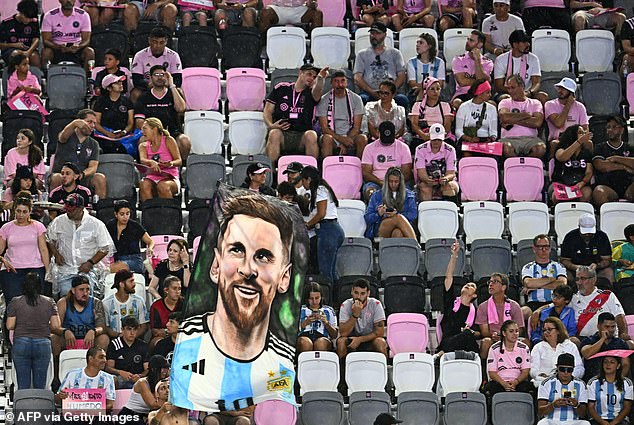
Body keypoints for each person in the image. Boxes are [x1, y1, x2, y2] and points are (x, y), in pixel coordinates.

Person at [171, 191, 298, 410]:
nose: (248, 270)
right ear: (216, 266)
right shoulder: (186, 345)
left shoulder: (283, 361)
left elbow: (279, 414)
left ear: (284, 278)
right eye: (237, 250)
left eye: (264, 256)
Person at [47, 193, 115, 297]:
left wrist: (90, 263)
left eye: (71, 210)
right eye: (67, 210)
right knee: (66, 296)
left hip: (87, 272)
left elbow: (105, 248)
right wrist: (56, 254)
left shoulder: (96, 224)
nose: (68, 213)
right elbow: (51, 239)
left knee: (85, 297)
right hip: (65, 270)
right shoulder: (59, 221)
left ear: (81, 208)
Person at [6, 272, 60, 389]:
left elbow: (10, 325)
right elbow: (56, 325)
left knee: (23, 384)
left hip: (21, 343)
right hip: (43, 343)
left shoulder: (15, 301)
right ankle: (39, 406)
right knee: (40, 385)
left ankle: (23, 406)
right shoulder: (49, 301)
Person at [264, 64, 327, 164]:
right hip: (283, 134)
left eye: (314, 77)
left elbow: (318, 89)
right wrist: (271, 125)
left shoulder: (312, 93)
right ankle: (271, 173)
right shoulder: (281, 88)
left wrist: (320, 78)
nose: (311, 78)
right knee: (274, 133)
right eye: (309, 74)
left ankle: (312, 171)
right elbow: (267, 111)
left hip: (302, 135)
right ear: (300, 73)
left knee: (311, 135)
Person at [53, 275, 109, 383]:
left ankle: (100, 375)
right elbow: (55, 327)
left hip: (89, 340)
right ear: (73, 290)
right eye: (81, 290)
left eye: (87, 289)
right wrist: (65, 331)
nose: (85, 293)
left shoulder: (95, 303)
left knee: (104, 339)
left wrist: (94, 331)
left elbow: (102, 327)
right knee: (54, 339)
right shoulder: (63, 302)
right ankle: (56, 377)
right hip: (69, 340)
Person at [49, 109, 108, 202]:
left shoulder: (94, 144)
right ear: (80, 122)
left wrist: (82, 174)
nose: (92, 126)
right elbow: (62, 137)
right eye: (89, 122)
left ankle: (101, 209)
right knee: (57, 177)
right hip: (63, 174)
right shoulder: (67, 135)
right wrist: (74, 123)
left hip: (81, 177)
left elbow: (93, 167)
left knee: (99, 178)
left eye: (94, 123)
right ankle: (53, 208)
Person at [0, 194, 49, 305]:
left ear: (30, 211)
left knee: (35, 303)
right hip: (12, 269)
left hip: (35, 268)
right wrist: (2, 260)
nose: (21, 215)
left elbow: (43, 250)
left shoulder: (38, 227)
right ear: (14, 210)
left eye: (24, 212)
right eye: (18, 211)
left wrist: (48, 271)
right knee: (12, 303)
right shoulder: (6, 228)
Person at [134, 65, 190, 160]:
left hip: (172, 132)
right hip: (152, 133)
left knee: (184, 141)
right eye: (156, 75)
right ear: (151, 78)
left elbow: (181, 109)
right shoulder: (143, 97)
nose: (159, 77)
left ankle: (179, 169)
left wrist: (172, 86)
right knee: (142, 141)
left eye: (162, 74)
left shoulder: (173, 93)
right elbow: (139, 122)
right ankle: (148, 170)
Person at [301, 165, 345, 283]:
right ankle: (335, 296)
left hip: (328, 231)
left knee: (325, 272)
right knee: (331, 271)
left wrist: (308, 225)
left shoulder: (320, 190)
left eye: (303, 180)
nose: (302, 183)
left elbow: (321, 214)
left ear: (309, 179)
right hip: (333, 230)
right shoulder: (323, 189)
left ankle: (329, 298)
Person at [353, 22, 408, 108]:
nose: (373, 36)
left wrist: (391, 91)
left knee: (402, 100)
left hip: (391, 92)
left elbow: (401, 75)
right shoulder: (362, 54)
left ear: (385, 35)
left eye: (377, 33)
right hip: (369, 92)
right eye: (372, 33)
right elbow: (357, 77)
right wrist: (371, 91)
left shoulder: (395, 53)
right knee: (362, 99)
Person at [438, 240, 479, 353]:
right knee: (466, 336)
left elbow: (478, 332)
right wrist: (454, 256)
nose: (467, 285)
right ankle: (442, 352)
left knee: (467, 335)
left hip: (464, 342)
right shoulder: (451, 302)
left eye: (471, 286)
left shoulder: (474, 311)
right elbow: (448, 278)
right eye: (467, 284)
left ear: (474, 295)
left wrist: (470, 331)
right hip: (448, 342)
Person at [316, 69, 367, 158]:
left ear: (347, 82)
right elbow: (324, 128)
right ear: (331, 83)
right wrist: (341, 139)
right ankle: (327, 169)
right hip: (332, 136)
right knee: (327, 138)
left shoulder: (356, 99)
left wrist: (345, 142)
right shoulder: (324, 100)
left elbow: (356, 127)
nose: (340, 85)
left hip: (351, 136)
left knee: (362, 138)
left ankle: (360, 169)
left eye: (342, 81)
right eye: (336, 81)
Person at [570, 267, 629, 343]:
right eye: (577, 279)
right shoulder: (572, 299)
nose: (579, 282)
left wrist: (623, 334)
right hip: (584, 342)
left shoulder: (607, 296)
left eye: (583, 278)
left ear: (593, 280)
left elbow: (619, 316)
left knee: (630, 343)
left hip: (609, 339)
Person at [474, 272, 527, 359]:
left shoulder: (514, 305)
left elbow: (520, 329)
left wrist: (507, 336)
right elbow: (484, 331)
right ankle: (484, 370)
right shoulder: (483, 306)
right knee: (486, 342)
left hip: (511, 336)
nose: (491, 284)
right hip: (492, 338)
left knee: (525, 342)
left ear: (503, 287)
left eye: (495, 281)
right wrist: (493, 336)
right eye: (490, 282)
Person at [361, 121, 413, 202]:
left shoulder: (403, 147)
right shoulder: (369, 148)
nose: (387, 143)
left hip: (398, 182)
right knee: (370, 192)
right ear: (378, 133)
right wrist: (381, 182)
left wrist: (395, 183)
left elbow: (407, 173)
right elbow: (366, 173)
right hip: (377, 182)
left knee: (407, 195)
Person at [337, 278, 387, 358]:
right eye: (356, 293)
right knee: (341, 342)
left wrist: (360, 339)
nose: (359, 297)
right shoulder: (345, 305)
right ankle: (342, 369)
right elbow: (343, 333)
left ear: (368, 293)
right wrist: (355, 315)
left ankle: (384, 369)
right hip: (351, 338)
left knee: (380, 342)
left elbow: (379, 332)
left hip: (370, 338)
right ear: (352, 291)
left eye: (362, 293)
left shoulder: (376, 304)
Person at [498, 74, 546, 158]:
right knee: (506, 148)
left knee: (540, 149)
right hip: (509, 139)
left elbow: (537, 123)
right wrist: (526, 115)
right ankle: (516, 167)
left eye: (513, 87)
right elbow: (504, 117)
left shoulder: (535, 103)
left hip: (530, 139)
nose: (510, 91)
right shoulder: (505, 102)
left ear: (522, 87)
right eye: (508, 88)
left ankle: (526, 167)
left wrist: (512, 119)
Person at [41, 0, 95, 74]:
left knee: (90, 52)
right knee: (46, 52)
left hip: (76, 47)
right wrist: (58, 47)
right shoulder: (49, 15)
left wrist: (78, 47)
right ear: (60, 0)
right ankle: (47, 78)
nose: (69, 1)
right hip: (57, 47)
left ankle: (86, 79)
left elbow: (86, 40)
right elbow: (46, 40)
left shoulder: (83, 15)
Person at [54, 346, 116, 411]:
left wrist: (93, 411)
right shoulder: (72, 374)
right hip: (74, 415)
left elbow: (110, 404)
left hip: (96, 416)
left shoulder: (108, 378)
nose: (104, 360)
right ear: (91, 359)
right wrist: (60, 396)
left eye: (105, 357)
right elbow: (57, 399)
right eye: (101, 357)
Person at [592, 115, 634, 207]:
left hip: (629, 187)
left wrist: (616, 158)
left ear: (622, 130)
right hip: (608, 187)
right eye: (608, 127)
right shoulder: (600, 147)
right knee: (599, 192)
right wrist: (624, 166)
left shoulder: (630, 148)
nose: (610, 130)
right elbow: (601, 166)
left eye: (614, 127)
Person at [93, 74, 140, 157]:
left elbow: (130, 122)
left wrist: (124, 132)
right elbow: (96, 123)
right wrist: (107, 133)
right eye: (117, 83)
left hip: (124, 135)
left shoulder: (127, 101)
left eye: (120, 82)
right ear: (109, 88)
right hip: (104, 135)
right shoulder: (100, 102)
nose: (120, 84)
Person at [537, 353, 590, 425]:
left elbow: (583, 414)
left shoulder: (581, 384)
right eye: (562, 369)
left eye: (569, 370)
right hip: (551, 421)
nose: (566, 373)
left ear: (573, 369)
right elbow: (540, 412)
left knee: (586, 423)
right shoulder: (546, 383)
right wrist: (553, 405)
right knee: (542, 423)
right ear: (557, 367)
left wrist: (576, 405)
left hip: (573, 421)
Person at [531, 317, 584, 388]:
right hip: (543, 383)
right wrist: (540, 375)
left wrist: (567, 376)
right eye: (544, 330)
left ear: (558, 330)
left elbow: (579, 368)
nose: (546, 332)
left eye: (549, 329)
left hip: (568, 382)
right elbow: (533, 369)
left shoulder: (570, 346)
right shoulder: (538, 347)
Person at [365, 166, 417, 239]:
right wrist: (379, 214)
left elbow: (413, 214)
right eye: (390, 181)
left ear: (400, 182)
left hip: (401, 227)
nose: (393, 184)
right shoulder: (377, 195)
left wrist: (395, 214)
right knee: (398, 218)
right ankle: (416, 245)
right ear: (386, 181)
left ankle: (394, 250)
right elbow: (367, 217)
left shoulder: (409, 195)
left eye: (396, 182)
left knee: (397, 233)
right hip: (381, 227)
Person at [493, 30, 544, 102]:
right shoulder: (501, 59)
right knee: (504, 98)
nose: (528, 44)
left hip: (527, 93)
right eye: (524, 42)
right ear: (515, 45)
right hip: (508, 92)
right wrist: (516, 92)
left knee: (543, 96)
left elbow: (536, 83)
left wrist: (529, 92)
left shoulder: (533, 58)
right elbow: (499, 86)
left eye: (528, 41)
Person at [138, 117, 182, 202]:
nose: (142, 132)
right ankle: (149, 212)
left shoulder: (168, 140)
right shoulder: (143, 145)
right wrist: (151, 162)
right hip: (152, 177)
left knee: (163, 186)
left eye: (145, 129)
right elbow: (142, 160)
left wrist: (170, 164)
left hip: (170, 177)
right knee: (144, 185)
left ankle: (168, 212)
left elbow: (179, 160)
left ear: (154, 129)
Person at [486, 319, 534, 396]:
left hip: (518, 382)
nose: (515, 334)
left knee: (528, 388)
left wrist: (516, 382)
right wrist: (504, 384)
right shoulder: (494, 348)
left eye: (517, 331)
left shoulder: (524, 348)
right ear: (504, 333)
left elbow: (525, 371)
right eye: (511, 331)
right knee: (492, 388)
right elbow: (492, 373)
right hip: (500, 382)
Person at [131, 27, 182, 97]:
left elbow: (178, 80)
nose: (158, 46)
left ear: (166, 41)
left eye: (161, 43)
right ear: (149, 40)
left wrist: (165, 84)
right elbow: (136, 80)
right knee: (136, 93)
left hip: (166, 86)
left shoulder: (174, 56)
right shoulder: (140, 55)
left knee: (179, 91)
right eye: (155, 42)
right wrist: (152, 84)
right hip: (147, 87)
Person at [107, 199, 155, 274]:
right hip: (116, 259)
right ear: (116, 214)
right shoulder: (110, 225)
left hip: (134, 259)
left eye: (127, 213)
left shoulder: (135, 226)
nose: (125, 217)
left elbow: (150, 241)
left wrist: (150, 248)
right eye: (122, 214)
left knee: (117, 267)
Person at [561, 216, 614, 283]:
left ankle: (608, 292)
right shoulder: (570, 237)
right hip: (574, 270)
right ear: (579, 227)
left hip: (597, 270)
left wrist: (597, 265)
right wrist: (575, 267)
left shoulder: (602, 236)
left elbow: (607, 259)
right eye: (584, 233)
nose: (587, 235)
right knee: (564, 274)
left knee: (608, 272)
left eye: (590, 233)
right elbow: (564, 260)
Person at [522, 234, 568, 311]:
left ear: (550, 248)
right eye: (540, 247)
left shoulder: (558, 266)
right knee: (523, 312)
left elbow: (562, 284)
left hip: (554, 303)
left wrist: (536, 286)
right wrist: (551, 279)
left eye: (546, 247)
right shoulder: (528, 267)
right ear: (534, 249)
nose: (544, 250)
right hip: (534, 303)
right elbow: (529, 283)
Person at [550, 125, 594, 205]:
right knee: (556, 196)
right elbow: (562, 157)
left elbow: (589, 172)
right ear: (572, 135)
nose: (583, 135)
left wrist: (582, 183)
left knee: (586, 194)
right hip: (561, 183)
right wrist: (579, 142)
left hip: (580, 183)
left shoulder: (586, 152)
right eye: (580, 133)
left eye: (584, 133)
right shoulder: (560, 148)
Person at [415, 123, 459, 202]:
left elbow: (451, 173)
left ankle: (450, 211)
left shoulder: (450, 150)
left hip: (445, 181)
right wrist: (427, 179)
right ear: (430, 137)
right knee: (425, 188)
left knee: (449, 187)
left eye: (439, 139)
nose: (436, 142)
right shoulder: (420, 149)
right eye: (434, 139)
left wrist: (445, 179)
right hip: (428, 181)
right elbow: (421, 172)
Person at [580, 312, 631, 382]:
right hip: (592, 382)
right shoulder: (589, 340)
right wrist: (602, 339)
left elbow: (625, 364)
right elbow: (586, 354)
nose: (610, 330)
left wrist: (617, 380)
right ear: (598, 326)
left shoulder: (620, 343)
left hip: (614, 382)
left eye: (613, 327)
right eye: (607, 327)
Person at [587, 351, 633, 425]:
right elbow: (591, 407)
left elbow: (627, 407)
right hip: (598, 420)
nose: (608, 364)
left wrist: (613, 423)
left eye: (612, 362)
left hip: (619, 420)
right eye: (605, 362)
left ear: (618, 366)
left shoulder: (627, 383)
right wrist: (603, 422)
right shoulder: (593, 382)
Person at [119, 355, 170, 421]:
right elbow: (153, 405)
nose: (165, 371)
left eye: (166, 368)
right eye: (163, 368)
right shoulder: (142, 382)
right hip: (130, 416)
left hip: (146, 417)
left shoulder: (164, 383)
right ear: (153, 369)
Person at [106, 315, 150, 389]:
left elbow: (147, 369)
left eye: (135, 329)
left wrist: (139, 376)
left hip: (138, 379)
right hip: (120, 378)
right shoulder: (114, 344)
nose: (132, 333)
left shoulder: (143, 345)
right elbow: (108, 368)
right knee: (113, 380)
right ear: (122, 330)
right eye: (129, 329)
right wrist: (120, 372)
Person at [102, 270, 149, 339]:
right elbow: (106, 327)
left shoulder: (139, 301)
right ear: (122, 284)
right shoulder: (106, 303)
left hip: (135, 340)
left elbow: (143, 326)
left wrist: (131, 337)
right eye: (131, 281)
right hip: (115, 340)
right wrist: (119, 336)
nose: (134, 284)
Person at [451, 30, 494, 106]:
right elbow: (462, 82)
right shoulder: (458, 59)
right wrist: (479, 81)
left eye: (471, 40)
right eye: (467, 39)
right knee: (457, 102)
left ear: (480, 44)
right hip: (463, 94)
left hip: (481, 94)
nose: (467, 42)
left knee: (492, 104)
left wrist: (477, 60)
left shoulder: (488, 63)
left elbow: (482, 81)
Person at [409, 77, 453, 148]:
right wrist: (424, 135)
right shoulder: (417, 105)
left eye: (438, 89)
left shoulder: (445, 105)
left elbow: (447, 125)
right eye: (432, 89)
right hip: (423, 136)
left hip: (440, 135)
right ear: (426, 90)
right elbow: (414, 125)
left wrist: (438, 137)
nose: (435, 92)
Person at [454, 80, 499, 148]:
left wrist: (491, 139)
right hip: (467, 141)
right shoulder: (464, 107)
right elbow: (458, 131)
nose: (490, 95)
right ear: (480, 94)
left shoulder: (492, 108)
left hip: (485, 142)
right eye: (487, 92)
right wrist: (470, 139)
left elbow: (494, 132)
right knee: (467, 154)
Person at [544, 78, 588, 146]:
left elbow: (585, 128)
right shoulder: (550, 104)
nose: (560, 91)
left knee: (589, 143)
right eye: (559, 88)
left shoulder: (580, 106)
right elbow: (558, 124)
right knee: (555, 143)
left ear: (571, 93)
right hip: (558, 139)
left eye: (564, 89)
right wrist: (568, 105)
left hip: (576, 139)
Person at [296, 282, 338, 354]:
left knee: (320, 344)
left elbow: (334, 335)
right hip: (304, 336)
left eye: (317, 298)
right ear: (307, 298)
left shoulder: (329, 310)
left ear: (321, 297)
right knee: (305, 343)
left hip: (322, 337)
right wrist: (305, 323)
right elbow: (291, 334)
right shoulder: (299, 310)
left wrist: (326, 323)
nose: (314, 301)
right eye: (311, 298)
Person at [0, 0, 40, 68]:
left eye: (31, 18)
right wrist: (14, 45)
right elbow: (1, 44)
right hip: (10, 50)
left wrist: (29, 52)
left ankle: (36, 77)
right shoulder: (6, 23)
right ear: (20, 12)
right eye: (27, 18)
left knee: (34, 57)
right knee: (17, 55)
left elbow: (36, 39)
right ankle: (14, 77)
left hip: (28, 49)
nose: (29, 20)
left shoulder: (34, 22)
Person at [149, 276, 183, 348]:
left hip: (181, 335)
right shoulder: (156, 306)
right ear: (166, 290)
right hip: (163, 337)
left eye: (179, 289)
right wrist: (169, 331)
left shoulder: (185, 304)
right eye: (174, 288)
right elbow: (155, 330)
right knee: (157, 342)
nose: (177, 292)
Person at [259, 0, 323, 35]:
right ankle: (262, 45)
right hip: (278, 8)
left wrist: (312, 3)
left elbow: (313, 1)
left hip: (299, 9)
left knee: (317, 13)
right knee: (266, 12)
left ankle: (314, 48)